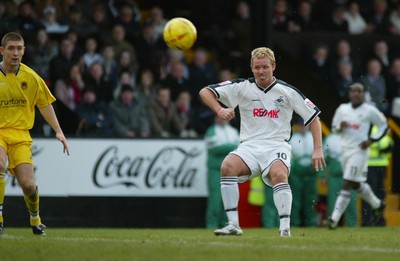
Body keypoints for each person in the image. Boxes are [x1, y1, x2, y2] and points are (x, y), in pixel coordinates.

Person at [199, 47, 326, 237]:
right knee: (227, 167)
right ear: (251, 67)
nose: (261, 71)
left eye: (265, 67)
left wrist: (318, 149)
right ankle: (233, 224)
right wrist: (219, 110)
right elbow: (205, 92)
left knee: (278, 174)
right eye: (257, 67)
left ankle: (284, 228)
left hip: (277, 145)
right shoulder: (242, 87)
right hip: (249, 146)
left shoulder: (287, 91)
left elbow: (314, 117)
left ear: (273, 66)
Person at [0, 32, 70, 235]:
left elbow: (44, 105)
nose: (15, 53)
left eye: (19, 48)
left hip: (21, 135)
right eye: (11, 48)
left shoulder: (31, 77)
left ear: (24, 51)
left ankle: (35, 219)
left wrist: (59, 131)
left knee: (28, 185)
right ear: (2, 51)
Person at [326, 82, 388, 229]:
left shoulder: (370, 110)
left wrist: (371, 140)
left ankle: (333, 220)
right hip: (345, 151)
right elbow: (334, 128)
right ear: (350, 94)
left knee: (346, 182)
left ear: (363, 94)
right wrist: (341, 126)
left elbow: (384, 126)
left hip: (360, 151)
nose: (356, 94)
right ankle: (377, 204)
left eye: (359, 91)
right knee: (355, 183)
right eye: (354, 91)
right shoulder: (342, 109)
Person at [204, 115, 240, 229]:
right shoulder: (211, 130)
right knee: (215, 199)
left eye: (223, 117)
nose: (221, 119)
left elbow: (239, 147)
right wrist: (230, 146)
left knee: (229, 199)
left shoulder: (233, 131)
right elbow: (214, 148)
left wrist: (225, 146)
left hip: (230, 171)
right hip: (215, 170)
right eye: (219, 117)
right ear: (215, 118)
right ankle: (211, 225)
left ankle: (226, 224)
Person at [289, 118, 319, 227]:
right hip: (297, 175)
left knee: (310, 201)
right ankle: (294, 224)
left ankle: (311, 224)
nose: (303, 127)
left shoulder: (313, 137)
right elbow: (290, 158)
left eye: (305, 125)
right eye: (300, 125)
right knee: (295, 202)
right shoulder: (292, 138)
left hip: (310, 175)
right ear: (297, 126)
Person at [362, 126, 393, 226]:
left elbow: (388, 142)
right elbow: (376, 142)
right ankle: (368, 221)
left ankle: (379, 220)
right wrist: (385, 145)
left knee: (381, 194)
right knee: (370, 193)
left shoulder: (382, 126)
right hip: (370, 166)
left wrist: (389, 145)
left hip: (382, 166)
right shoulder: (371, 127)